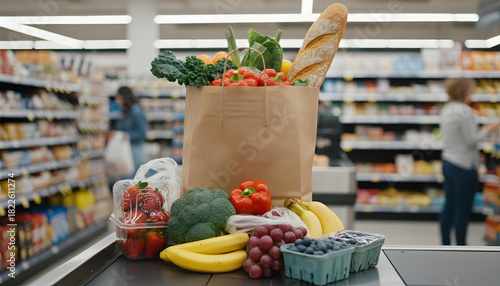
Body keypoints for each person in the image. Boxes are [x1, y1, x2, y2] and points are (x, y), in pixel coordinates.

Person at [440, 78, 500, 245]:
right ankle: (461, 246)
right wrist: (490, 127)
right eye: (471, 89)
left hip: (448, 161)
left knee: (449, 206)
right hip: (464, 165)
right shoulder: (465, 111)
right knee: (462, 209)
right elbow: (471, 140)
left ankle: (445, 244)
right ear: (464, 91)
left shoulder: (447, 109)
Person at [112, 86, 148, 177]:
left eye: (118, 97)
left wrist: (124, 135)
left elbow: (141, 133)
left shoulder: (136, 111)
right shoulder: (125, 111)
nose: (117, 101)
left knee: (133, 182)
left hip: (135, 152)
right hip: (126, 151)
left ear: (124, 96)